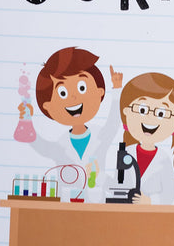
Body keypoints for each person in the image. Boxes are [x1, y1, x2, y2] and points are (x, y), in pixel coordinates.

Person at [19, 47, 122, 194]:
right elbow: (41, 145)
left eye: (82, 88)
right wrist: (26, 122)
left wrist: (117, 92)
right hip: (67, 206)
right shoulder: (60, 146)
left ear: (99, 92)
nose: (73, 98)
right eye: (62, 93)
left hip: (97, 202)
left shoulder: (99, 137)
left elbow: (113, 124)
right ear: (48, 106)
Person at [118, 72, 174, 204]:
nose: (150, 118)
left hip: (151, 217)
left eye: (161, 113)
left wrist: (150, 201)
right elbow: (117, 184)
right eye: (142, 110)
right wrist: (98, 176)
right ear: (126, 110)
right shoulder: (126, 153)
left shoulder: (163, 160)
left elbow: (168, 196)